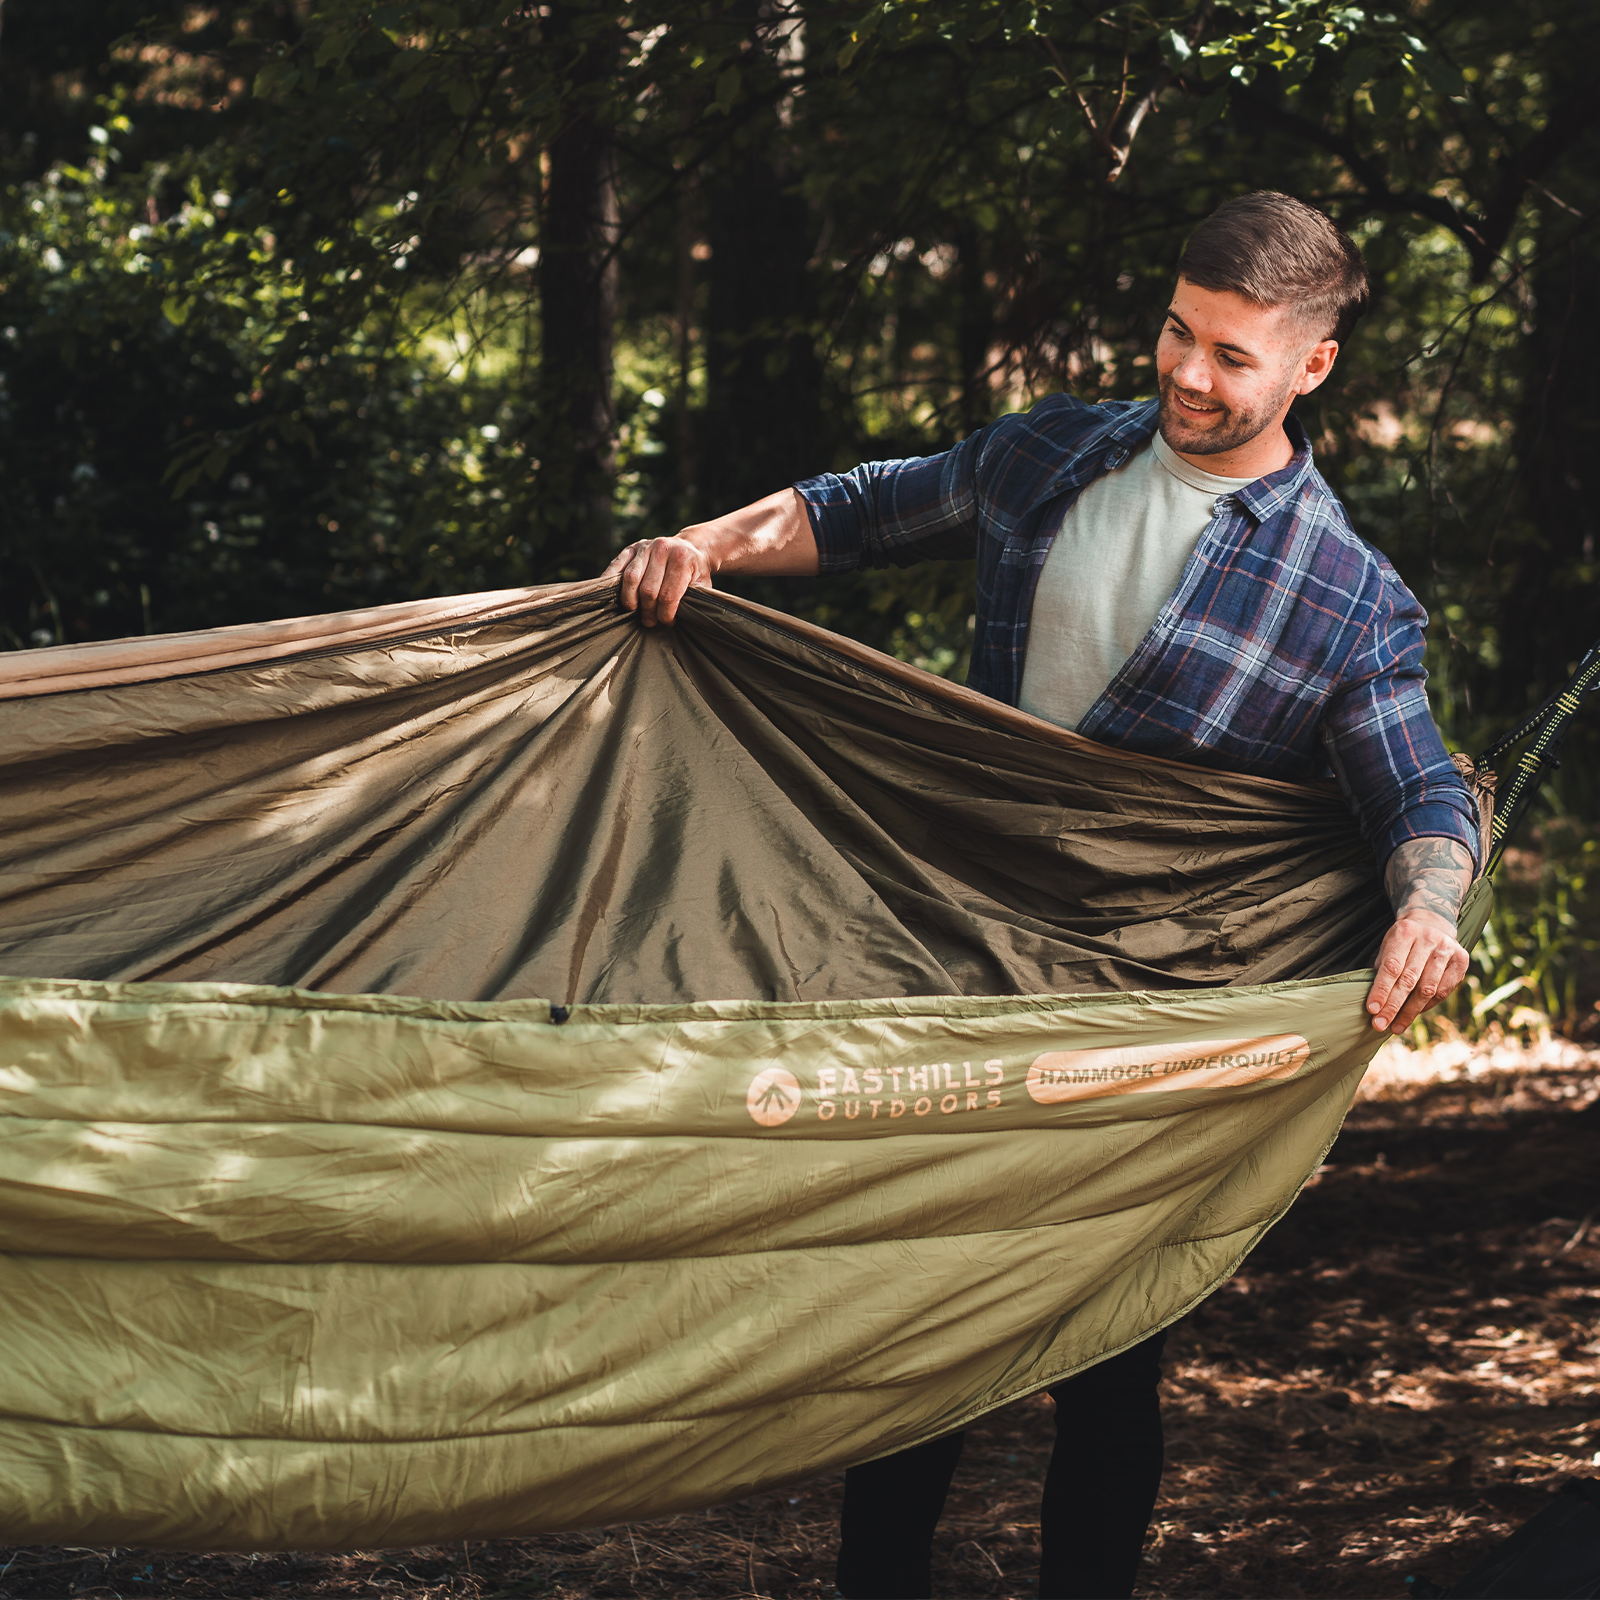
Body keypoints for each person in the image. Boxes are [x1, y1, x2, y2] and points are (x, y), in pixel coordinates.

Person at [603, 191, 1481, 1598]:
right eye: (1178, 334)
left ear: (1312, 368)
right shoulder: (1051, 453)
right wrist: (702, 546)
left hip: (1139, 1022)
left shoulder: (1346, 598)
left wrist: (1428, 909)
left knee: (1109, 1364)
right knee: (913, 1325)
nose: (1190, 375)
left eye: (1233, 357)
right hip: (960, 972)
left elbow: (1422, 791)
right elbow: (857, 510)